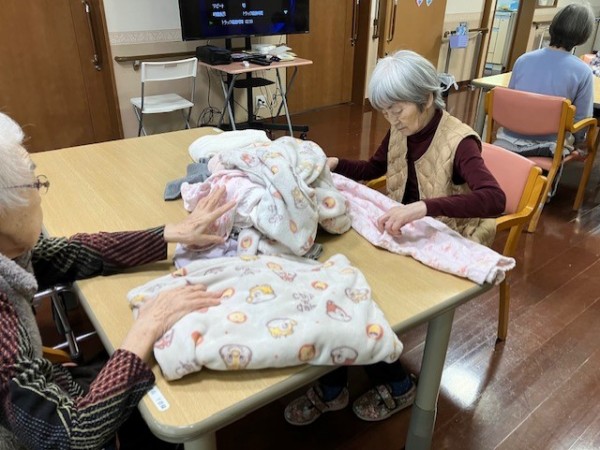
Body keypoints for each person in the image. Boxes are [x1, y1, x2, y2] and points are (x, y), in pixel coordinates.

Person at [284, 49, 505, 426]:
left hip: (441, 240)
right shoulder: (402, 126)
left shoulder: (460, 142)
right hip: (403, 232)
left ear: (427, 98)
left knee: (358, 298)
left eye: (397, 110)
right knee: (335, 283)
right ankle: (336, 382)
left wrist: (422, 207)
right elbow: (374, 168)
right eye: (385, 111)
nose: (392, 119)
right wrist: (334, 164)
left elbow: (495, 198)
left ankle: (396, 384)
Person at [0, 112, 235, 449]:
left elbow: (74, 252)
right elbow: (71, 437)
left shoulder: (10, 252)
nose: (40, 192)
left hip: (48, 393)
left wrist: (171, 233)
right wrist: (146, 327)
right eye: (34, 183)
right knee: (169, 401)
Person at [495, 2, 595, 157]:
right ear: (584, 35)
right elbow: (581, 121)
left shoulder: (523, 60)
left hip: (508, 138)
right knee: (581, 144)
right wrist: (579, 142)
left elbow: (511, 101)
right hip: (550, 144)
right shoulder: (583, 72)